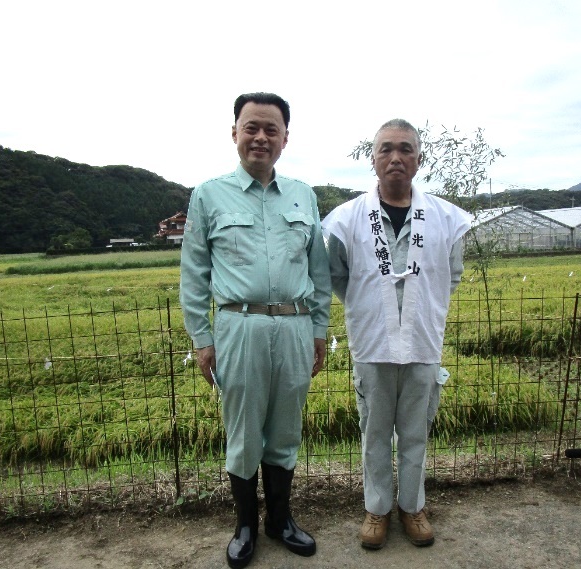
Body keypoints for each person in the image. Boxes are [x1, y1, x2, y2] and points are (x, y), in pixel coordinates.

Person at [179, 92, 331, 569]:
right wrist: (203, 340)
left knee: (286, 427)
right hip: (237, 326)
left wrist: (320, 330)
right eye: (251, 127)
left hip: (294, 326)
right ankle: (245, 525)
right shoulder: (208, 195)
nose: (260, 137)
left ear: (286, 137)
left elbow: (319, 271)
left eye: (271, 129)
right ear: (234, 133)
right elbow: (193, 273)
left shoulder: (303, 195)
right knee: (244, 430)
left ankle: (280, 521)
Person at [322, 119, 471, 550]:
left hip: (423, 342)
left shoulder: (445, 218)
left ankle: (413, 506)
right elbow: (337, 275)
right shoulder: (347, 219)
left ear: (419, 159)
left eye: (405, 149)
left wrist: (420, 304)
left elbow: (452, 274)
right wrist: (372, 304)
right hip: (372, 344)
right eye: (386, 149)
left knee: (415, 432)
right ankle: (376, 509)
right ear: (373, 159)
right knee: (373, 433)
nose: (395, 157)